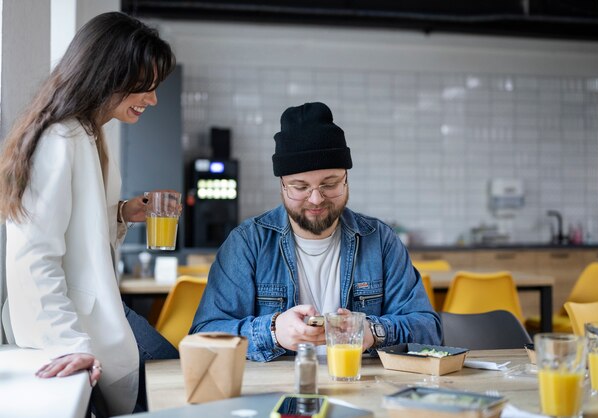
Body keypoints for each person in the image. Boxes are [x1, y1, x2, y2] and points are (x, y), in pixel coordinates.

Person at [0, 12, 178, 415]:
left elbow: (75, 224)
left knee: (175, 377)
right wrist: (69, 344)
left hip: (96, 311)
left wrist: (121, 213)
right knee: (173, 382)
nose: (152, 99)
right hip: (70, 322)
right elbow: (33, 256)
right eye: (145, 86)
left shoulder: (91, 132)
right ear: (109, 74)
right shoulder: (59, 138)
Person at [191, 102, 442, 362]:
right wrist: (273, 332)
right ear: (282, 185)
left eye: (329, 184)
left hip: (363, 387)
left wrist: (373, 331)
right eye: (300, 186)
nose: (315, 199)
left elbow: (430, 331)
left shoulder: (380, 241)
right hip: (276, 393)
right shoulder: (247, 243)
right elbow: (203, 337)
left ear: (346, 179)